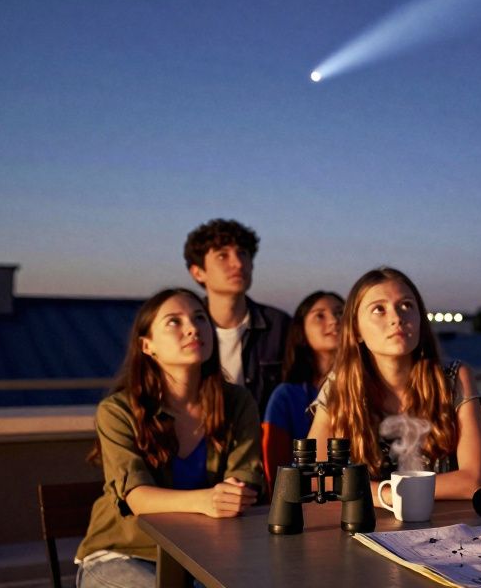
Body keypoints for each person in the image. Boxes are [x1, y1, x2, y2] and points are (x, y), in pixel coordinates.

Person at [76, 288, 262, 588]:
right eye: (174, 321)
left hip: (207, 555)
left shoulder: (238, 403)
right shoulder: (117, 411)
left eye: (200, 318)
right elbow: (138, 497)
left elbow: (244, 482)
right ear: (147, 346)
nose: (192, 328)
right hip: (127, 553)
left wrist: (235, 495)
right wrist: (208, 500)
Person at [307, 267, 481, 499]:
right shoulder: (340, 386)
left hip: (445, 526)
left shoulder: (454, 377)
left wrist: (370, 493)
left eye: (406, 306)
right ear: (356, 330)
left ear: (420, 320)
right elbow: (315, 478)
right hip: (367, 529)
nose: (396, 318)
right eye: (379, 309)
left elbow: (472, 481)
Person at [184, 218, 292, 414]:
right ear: (198, 273)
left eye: (243, 253)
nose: (237, 263)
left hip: (264, 440)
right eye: (222, 256)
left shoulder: (279, 326)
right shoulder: (186, 329)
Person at [262, 290, 344, 485]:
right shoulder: (286, 396)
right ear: (302, 331)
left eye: (340, 313)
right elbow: (277, 474)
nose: (333, 321)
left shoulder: (367, 387)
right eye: (320, 316)